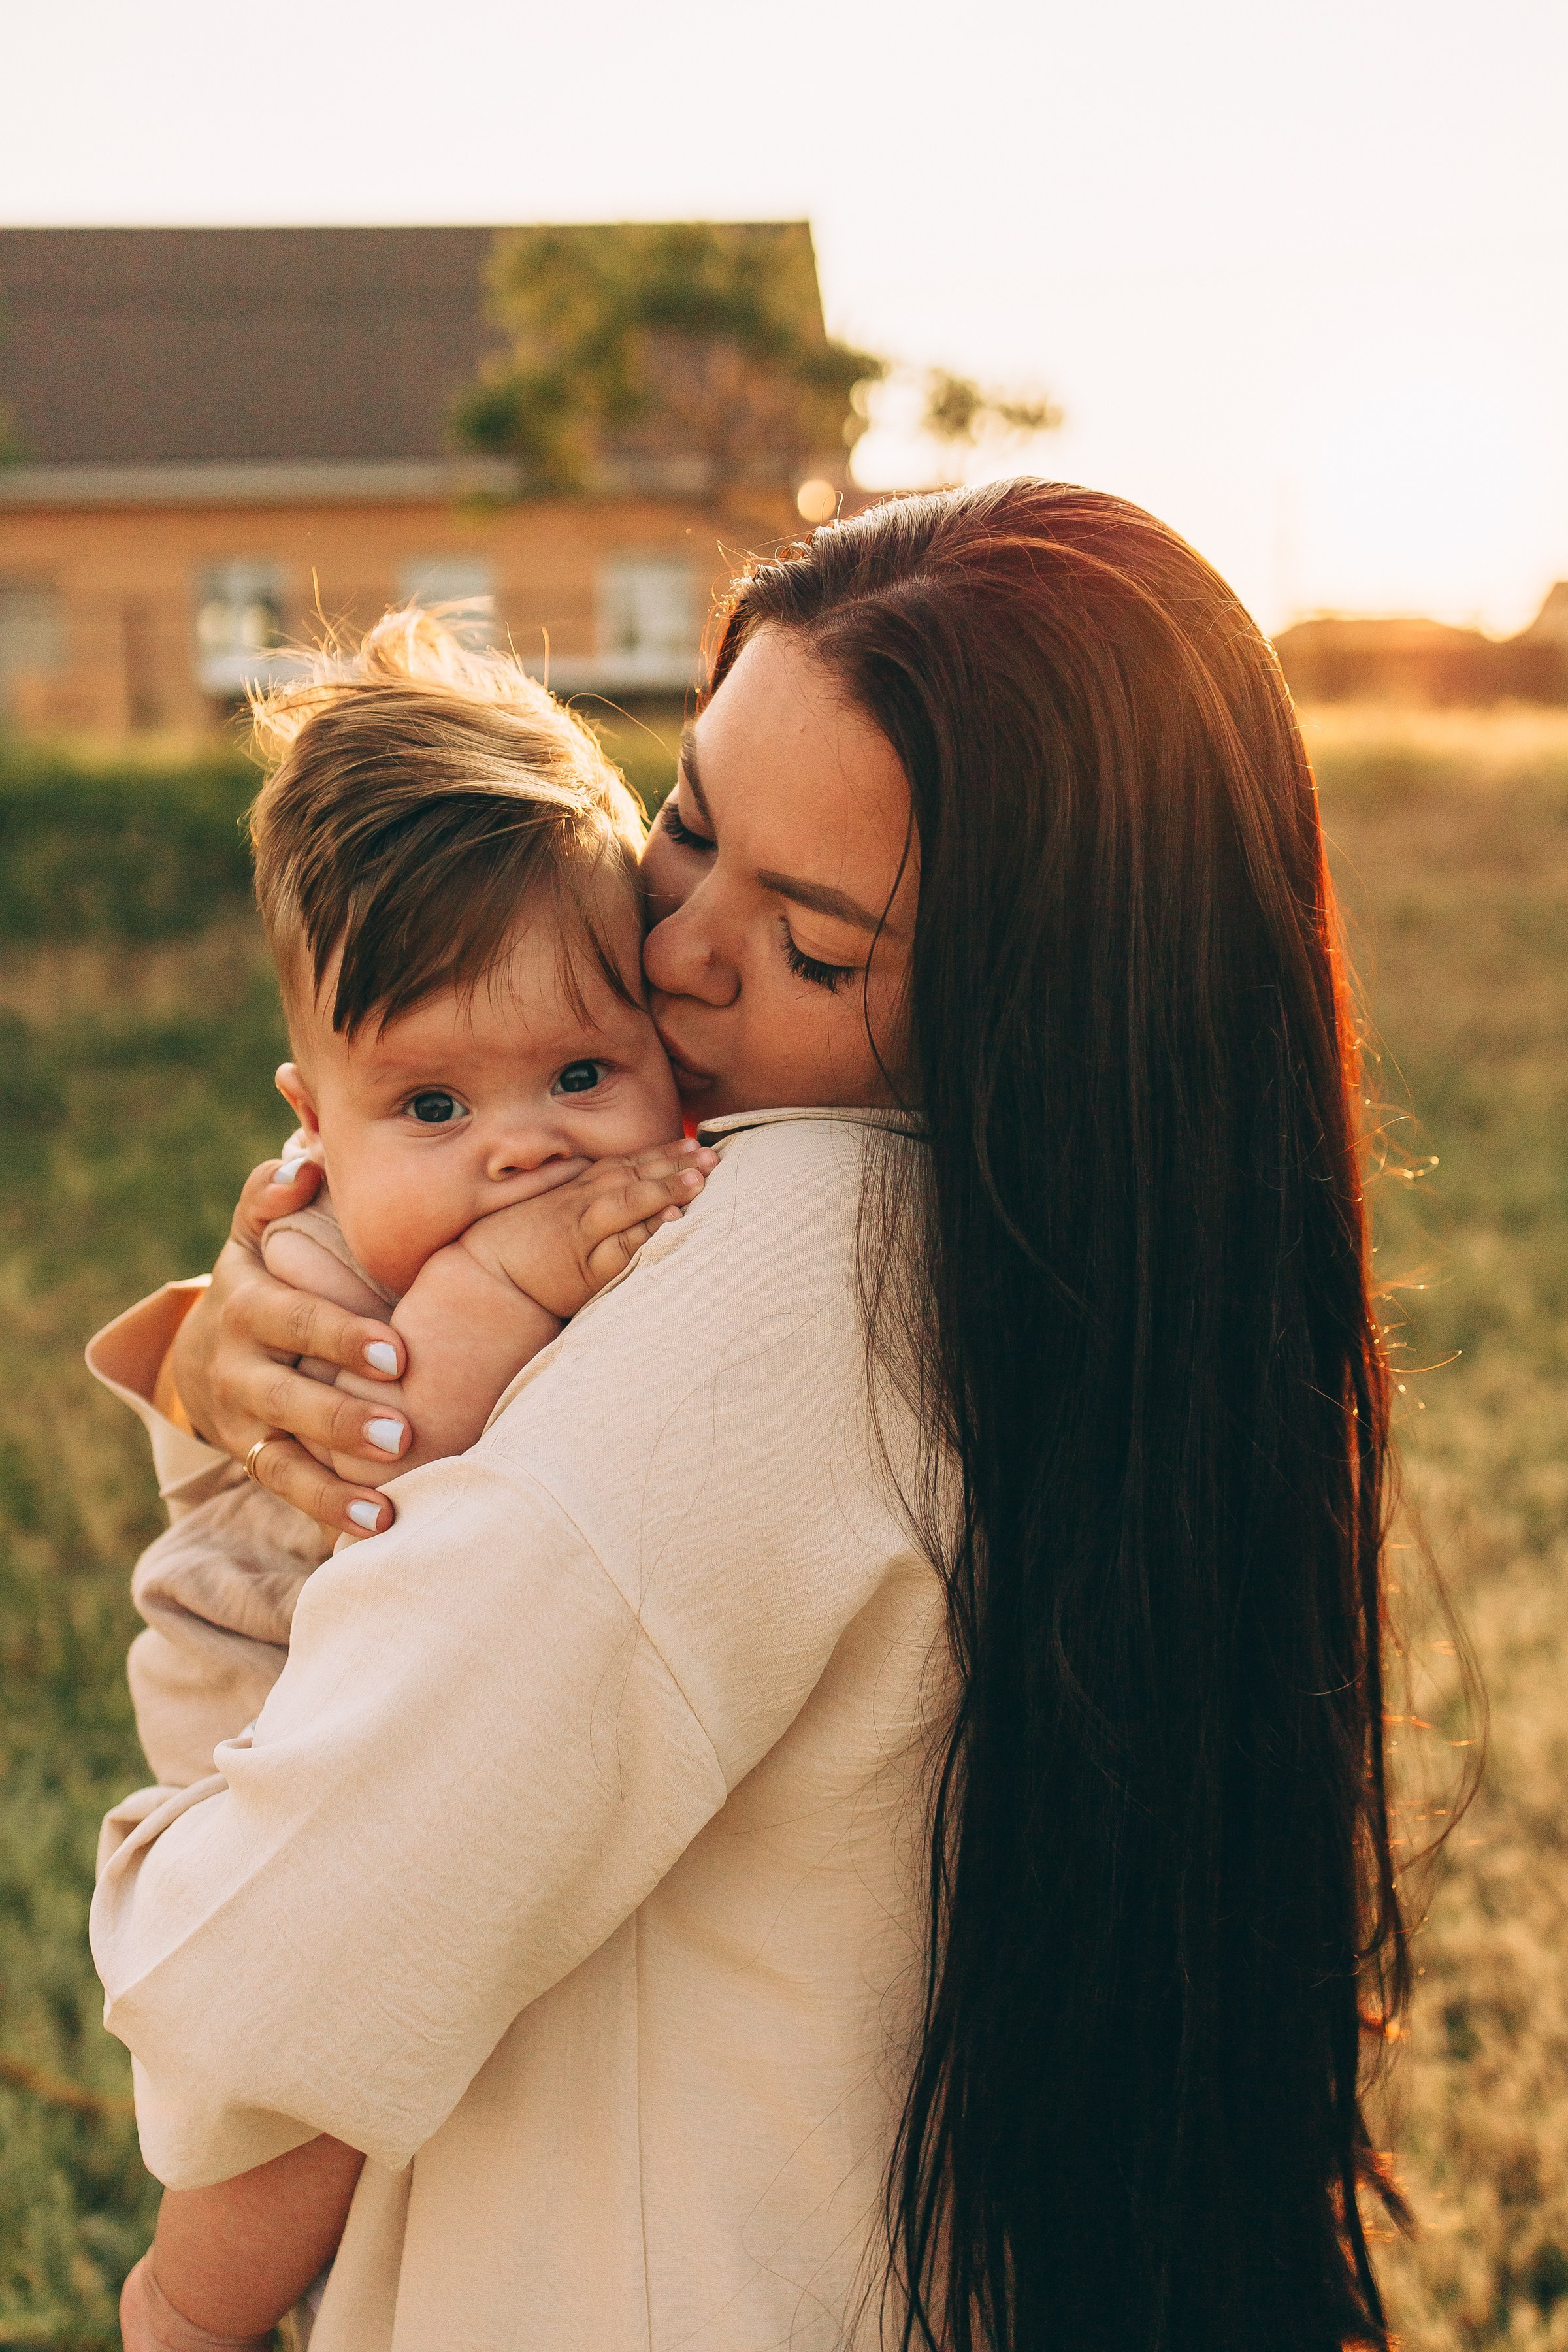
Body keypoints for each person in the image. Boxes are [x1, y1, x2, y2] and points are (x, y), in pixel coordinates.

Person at [91, 481, 1411, 2352]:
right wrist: (289, 1322)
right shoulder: (1105, 1296)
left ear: (1027, 1011)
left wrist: (264, 1482)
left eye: (811, 944)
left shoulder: (770, 1271)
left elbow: (248, 1990)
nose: (678, 954)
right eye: (687, 828)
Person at [120, 606, 715, 1795]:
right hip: (263, 1698)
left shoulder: (664, 1179)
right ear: (316, 1132)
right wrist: (498, 1282)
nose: (523, 1150)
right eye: (435, 1106)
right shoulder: (322, 1282)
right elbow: (399, 1489)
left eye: (581, 1074)